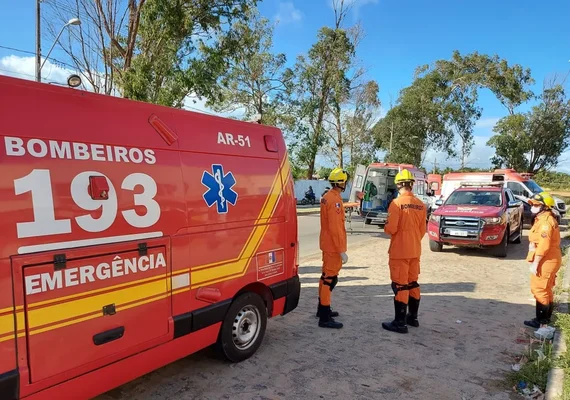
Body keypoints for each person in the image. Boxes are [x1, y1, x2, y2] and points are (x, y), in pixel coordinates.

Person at [382, 169, 427, 334]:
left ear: (399, 184)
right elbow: (423, 230)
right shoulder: (421, 205)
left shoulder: (396, 204)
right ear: (412, 185)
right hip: (415, 250)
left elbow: (391, 229)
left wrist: (385, 226)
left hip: (399, 252)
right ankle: (412, 318)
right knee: (413, 283)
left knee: (400, 286)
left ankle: (399, 323)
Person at [316, 168, 349, 329]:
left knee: (325, 277)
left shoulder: (329, 197)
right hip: (333, 246)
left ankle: (322, 308)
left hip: (327, 243)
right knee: (330, 279)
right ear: (341, 182)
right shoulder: (334, 200)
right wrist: (341, 250)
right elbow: (335, 228)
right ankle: (324, 316)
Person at [524, 192, 562, 328]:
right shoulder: (543, 219)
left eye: (536, 205)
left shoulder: (545, 222)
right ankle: (545, 319)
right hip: (550, 258)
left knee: (539, 289)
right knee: (546, 288)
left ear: (545, 207)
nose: (532, 207)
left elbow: (544, 246)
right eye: (532, 204)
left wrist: (536, 263)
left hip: (546, 259)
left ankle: (541, 320)